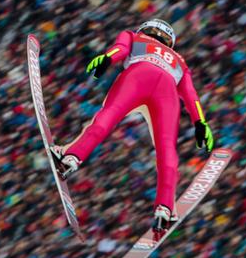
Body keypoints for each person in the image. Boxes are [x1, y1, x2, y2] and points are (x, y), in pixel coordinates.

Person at [50, 19, 215, 230]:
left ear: (145, 29)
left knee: (107, 117)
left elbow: (119, 50)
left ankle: (71, 157)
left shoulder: (134, 36)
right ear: (170, 42)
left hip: (138, 75)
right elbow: (191, 96)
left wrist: (105, 59)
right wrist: (200, 122)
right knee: (166, 148)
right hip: (167, 91)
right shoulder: (180, 60)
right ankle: (165, 208)